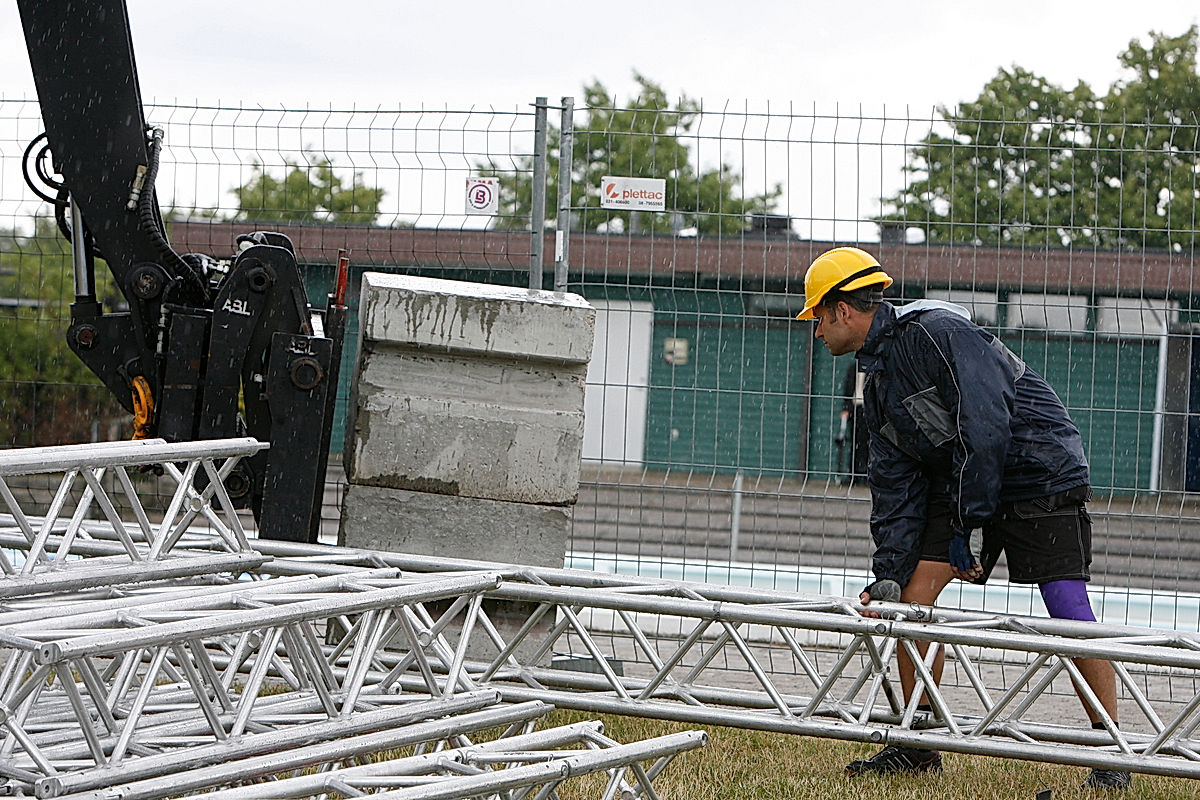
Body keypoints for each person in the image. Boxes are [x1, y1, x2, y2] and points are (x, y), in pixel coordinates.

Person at [796, 246, 1130, 791]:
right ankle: (918, 742)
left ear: (843, 310)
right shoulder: (877, 382)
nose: (815, 332)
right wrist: (888, 567)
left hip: (1036, 468)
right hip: (968, 482)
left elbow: (988, 424)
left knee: (1066, 605)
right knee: (909, 596)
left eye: (817, 319)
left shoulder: (934, 332)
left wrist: (971, 525)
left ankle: (1113, 754)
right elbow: (894, 488)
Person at [838, 362, 869, 483]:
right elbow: (847, 389)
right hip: (855, 408)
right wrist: (846, 409)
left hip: (868, 409)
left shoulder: (872, 370)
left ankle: (866, 474)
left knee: (868, 443)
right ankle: (853, 475)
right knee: (854, 442)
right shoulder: (853, 369)